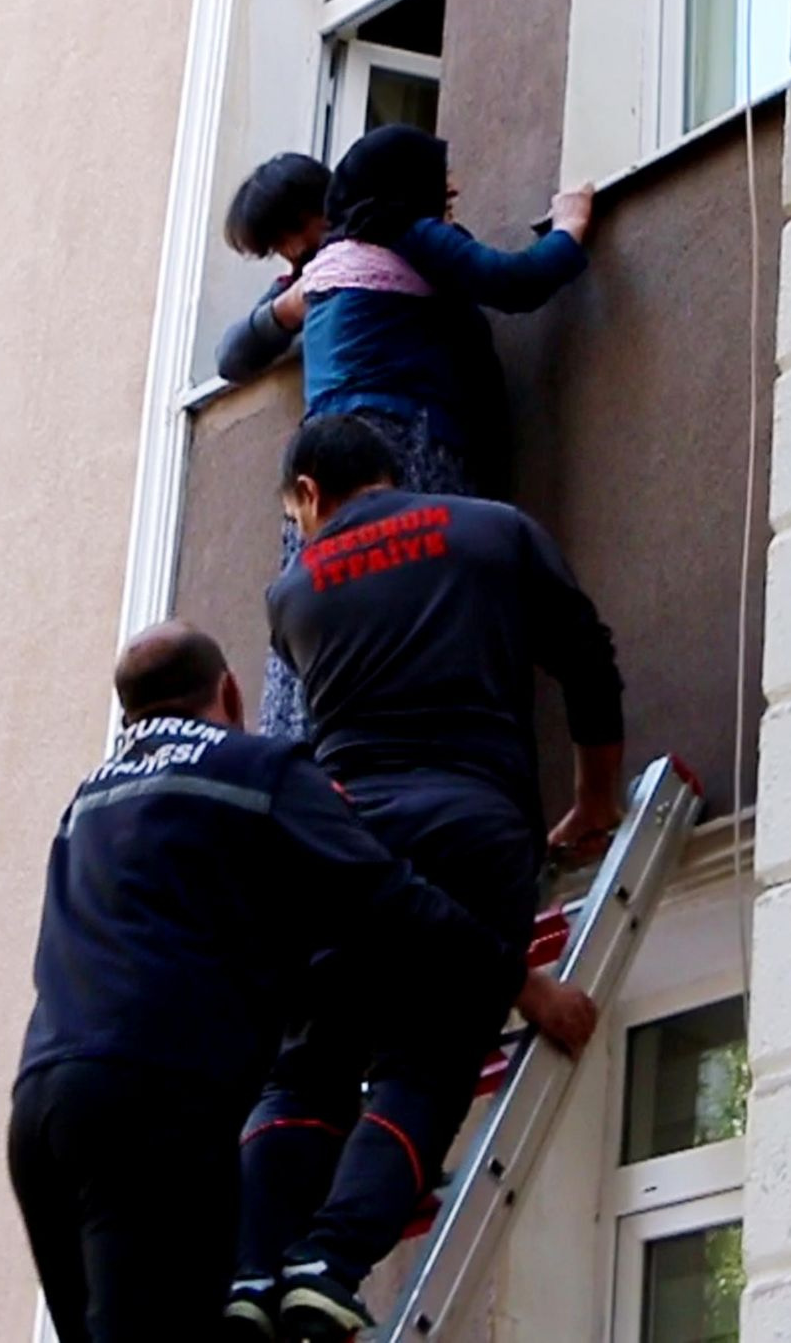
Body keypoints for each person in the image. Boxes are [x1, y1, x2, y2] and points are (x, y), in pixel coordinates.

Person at [7, 620, 595, 1343]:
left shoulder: (86, 802)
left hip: (41, 1115)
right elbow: (387, 893)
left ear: (129, 715)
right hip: (153, 1104)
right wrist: (522, 983)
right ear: (228, 689)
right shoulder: (255, 771)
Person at [227, 417, 624, 1339]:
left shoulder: (291, 595)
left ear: (311, 496)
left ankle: (249, 1278)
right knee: (431, 1062)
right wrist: (595, 796)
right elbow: (586, 657)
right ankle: (329, 1263)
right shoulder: (494, 530)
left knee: (309, 1072)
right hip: (474, 830)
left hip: (341, 847)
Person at [255, 124, 596, 742]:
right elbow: (513, 283)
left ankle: (305, 758)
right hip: (397, 440)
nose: (453, 190)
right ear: (408, 187)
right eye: (438, 181)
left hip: (318, 462)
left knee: (326, 614)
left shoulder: (331, 260)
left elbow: (239, 350)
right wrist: (570, 227)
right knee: (420, 599)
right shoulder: (405, 233)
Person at [215, 152, 331, 384]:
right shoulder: (294, 284)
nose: (296, 249)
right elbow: (229, 359)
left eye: (298, 228)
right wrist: (288, 308)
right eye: (279, 244)